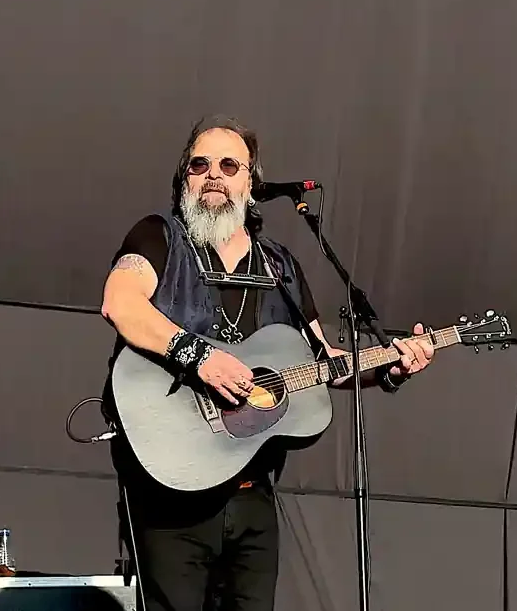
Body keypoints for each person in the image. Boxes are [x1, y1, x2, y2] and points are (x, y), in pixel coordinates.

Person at [99, 114, 435, 611]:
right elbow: (120, 304)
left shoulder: (279, 267)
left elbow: (323, 361)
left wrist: (389, 364)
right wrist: (199, 357)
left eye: (229, 165)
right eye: (200, 164)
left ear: (251, 185)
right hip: (171, 492)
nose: (213, 173)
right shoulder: (160, 238)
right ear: (185, 179)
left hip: (253, 492)